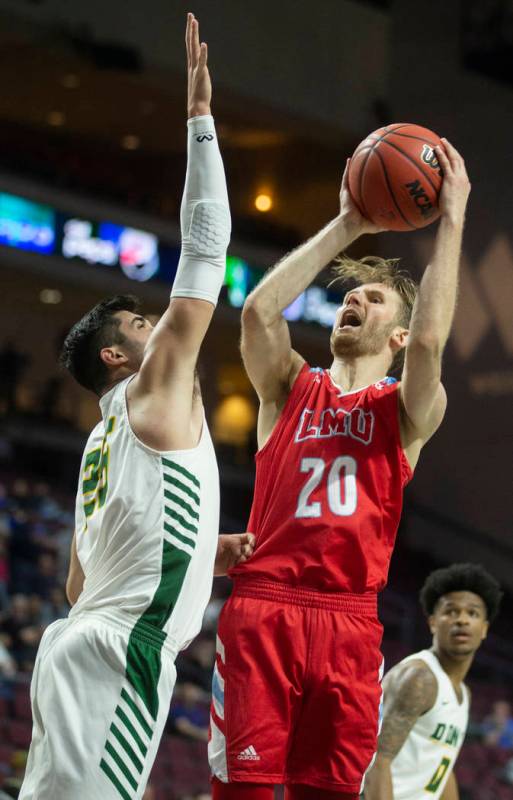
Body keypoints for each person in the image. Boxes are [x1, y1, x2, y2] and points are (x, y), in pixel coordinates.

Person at [19, 14, 253, 800]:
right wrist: (199, 122)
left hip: (77, 645)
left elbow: (81, 582)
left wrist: (192, 554)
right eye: (143, 325)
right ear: (117, 356)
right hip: (122, 651)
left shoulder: (104, 440)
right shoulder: (153, 389)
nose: (164, 327)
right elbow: (207, 245)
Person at [209, 140, 471, 800]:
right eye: (350, 296)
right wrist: (348, 224)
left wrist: (453, 219)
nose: (353, 300)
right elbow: (257, 312)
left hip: (348, 620)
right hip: (265, 608)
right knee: (241, 790)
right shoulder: (287, 386)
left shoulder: (409, 411)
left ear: (399, 336)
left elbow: (435, 341)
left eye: (374, 298)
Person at [364, 562, 503, 800]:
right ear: (432, 622)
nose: (462, 620)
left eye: (473, 613)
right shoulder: (420, 678)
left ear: (484, 629)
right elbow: (378, 760)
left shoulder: (462, 693)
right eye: (451, 611)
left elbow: (441, 768)